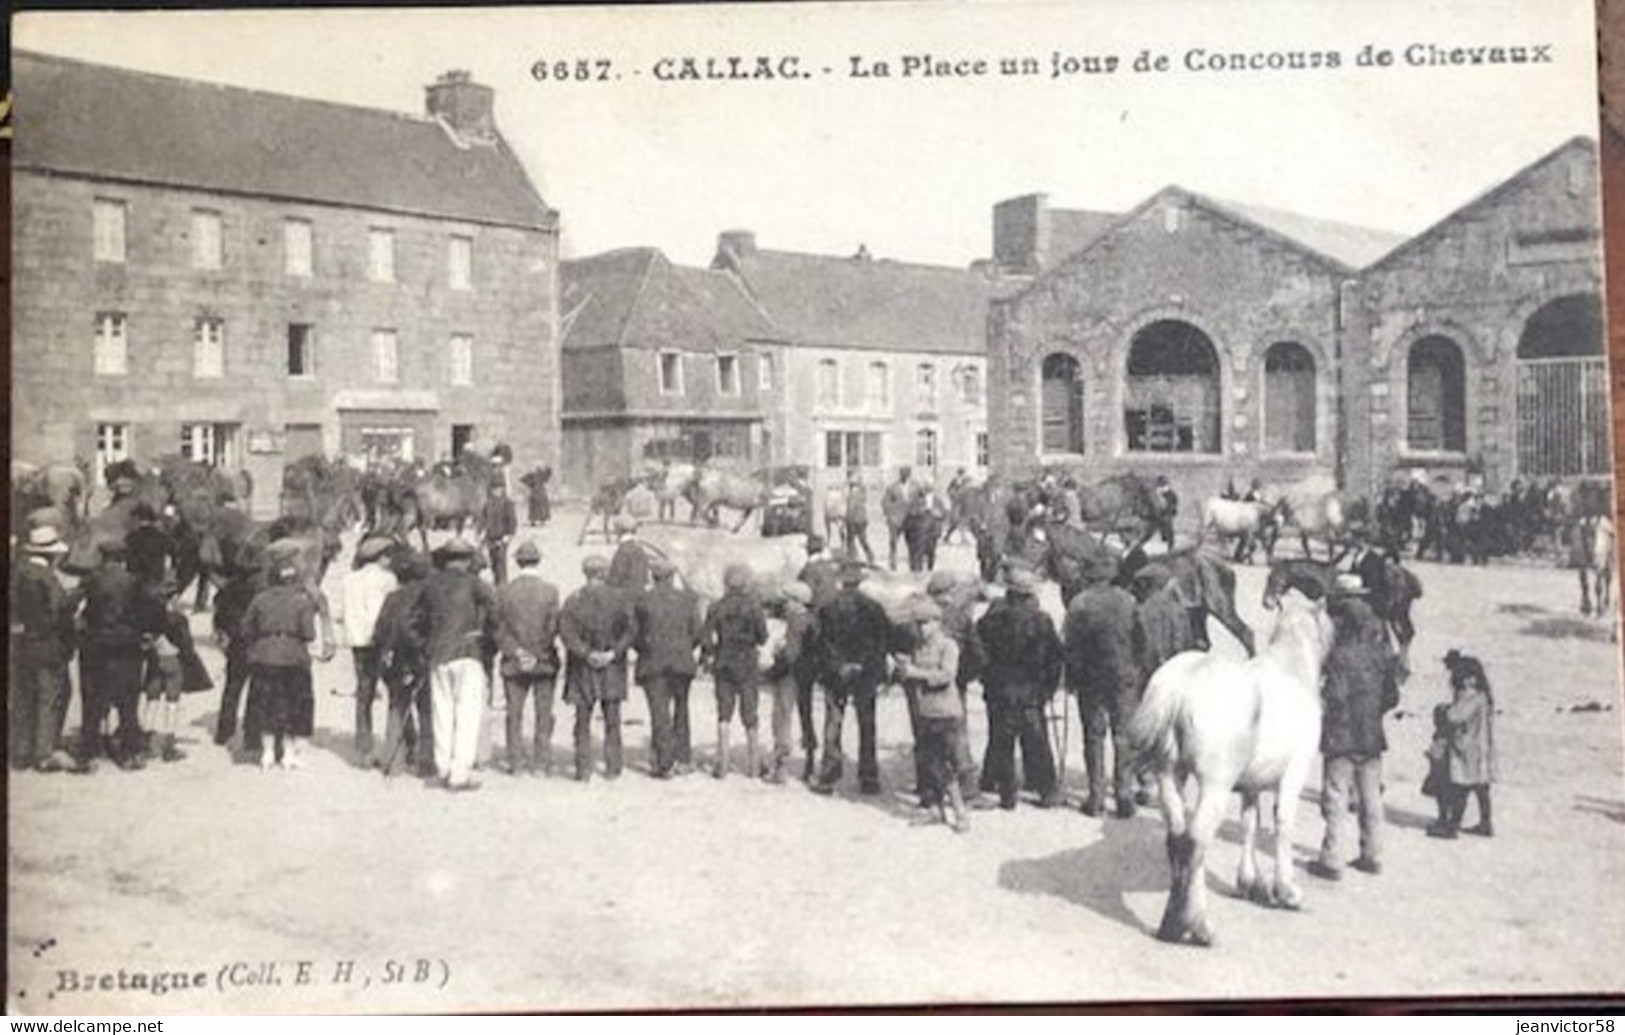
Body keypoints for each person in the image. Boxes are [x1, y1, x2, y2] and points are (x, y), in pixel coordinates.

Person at [1309, 575, 1401, 880]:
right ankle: (1372, 854)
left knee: (1335, 796)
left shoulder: (1337, 656)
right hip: (1372, 734)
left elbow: (1332, 696)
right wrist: (1373, 712)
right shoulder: (1379, 653)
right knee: (1371, 796)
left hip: (1341, 735)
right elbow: (1392, 695)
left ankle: (1331, 857)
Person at [413, 538, 499, 791]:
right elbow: (495, 611)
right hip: (468, 651)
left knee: (442, 711)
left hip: (438, 654)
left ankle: (443, 768)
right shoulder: (476, 584)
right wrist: (485, 634)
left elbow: (413, 620)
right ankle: (460, 772)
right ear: (467, 559)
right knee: (467, 712)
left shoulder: (430, 585)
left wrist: (425, 643)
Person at [976, 566, 1064, 809]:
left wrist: (987, 679)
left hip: (999, 690)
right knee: (1037, 741)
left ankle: (1007, 794)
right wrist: (1049, 688)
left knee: (1001, 739)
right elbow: (1055, 658)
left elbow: (978, 652)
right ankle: (1046, 792)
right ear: (1028, 595)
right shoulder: (1041, 621)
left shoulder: (990, 619)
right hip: (1030, 692)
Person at [1064, 571, 1142, 817]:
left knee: (1093, 737)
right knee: (1123, 736)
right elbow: (1140, 639)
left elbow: (1070, 645)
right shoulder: (1128, 600)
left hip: (1091, 680)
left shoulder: (1079, 603)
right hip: (1123, 679)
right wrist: (1134, 669)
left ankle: (1096, 798)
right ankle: (1124, 796)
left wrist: (1071, 678)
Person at [811, 562, 892, 795]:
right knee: (867, 723)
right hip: (865, 674)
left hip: (836, 674)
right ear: (860, 582)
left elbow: (822, 642)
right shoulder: (874, 607)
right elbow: (882, 642)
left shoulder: (828, 608)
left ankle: (829, 775)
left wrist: (837, 666)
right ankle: (869, 776)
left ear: (841, 581)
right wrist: (868, 666)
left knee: (833, 722)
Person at [241, 561, 326, 771]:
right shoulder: (301, 602)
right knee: (293, 705)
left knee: (265, 702)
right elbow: (308, 633)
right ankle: (288, 755)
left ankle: (267, 753)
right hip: (293, 656)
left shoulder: (260, 599)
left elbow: (246, 628)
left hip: (264, 655)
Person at [76, 538, 152, 771]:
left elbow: (83, 612)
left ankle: (89, 752)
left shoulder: (91, 580)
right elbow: (144, 612)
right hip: (127, 645)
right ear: (123, 558)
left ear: (102, 557)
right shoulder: (134, 582)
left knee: (93, 698)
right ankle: (129, 752)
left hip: (96, 645)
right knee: (128, 700)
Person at [895, 597, 970, 831]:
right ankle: (935, 808)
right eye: (918, 623)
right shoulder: (918, 647)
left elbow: (946, 675)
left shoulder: (948, 646)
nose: (921, 628)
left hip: (947, 712)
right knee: (930, 762)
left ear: (937, 622)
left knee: (949, 764)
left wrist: (914, 672)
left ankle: (960, 811)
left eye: (926, 623)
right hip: (926, 711)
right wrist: (899, 670)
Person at [560, 556, 635, 782]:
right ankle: (613, 767)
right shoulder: (620, 598)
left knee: (582, 719)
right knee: (613, 719)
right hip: (612, 666)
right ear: (605, 573)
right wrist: (613, 653)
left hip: (583, 668)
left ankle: (583, 769)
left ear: (586, 574)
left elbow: (566, 633)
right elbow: (631, 631)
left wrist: (586, 653)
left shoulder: (574, 599)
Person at [10, 525, 78, 772]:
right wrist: (76, 598)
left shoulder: (18, 573)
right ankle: (44, 752)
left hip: (20, 642)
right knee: (51, 696)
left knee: (23, 695)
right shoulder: (48, 579)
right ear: (51, 554)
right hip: (48, 643)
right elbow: (59, 612)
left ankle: (20, 750)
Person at [632, 555, 704, 778]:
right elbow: (697, 633)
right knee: (682, 710)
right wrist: (685, 649)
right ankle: (683, 758)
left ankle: (663, 763)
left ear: (653, 577)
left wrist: (646, 650)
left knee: (659, 712)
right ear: (672, 577)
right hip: (682, 662)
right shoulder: (688, 600)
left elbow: (635, 635)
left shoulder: (643, 600)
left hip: (652, 662)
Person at [494, 540, 562, 776]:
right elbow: (553, 628)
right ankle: (541, 763)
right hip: (544, 662)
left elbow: (498, 630)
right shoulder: (550, 591)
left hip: (514, 662)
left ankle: (516, 763)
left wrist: (517, 652)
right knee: (543, 712)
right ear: (538, 561)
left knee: (514, 713)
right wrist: (537, 654)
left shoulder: (504, 591)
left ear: (517, 562)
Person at [333, 536, 399, 765]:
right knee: (396, 691)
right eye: (388, 556)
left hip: (358, 642)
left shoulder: (348, 579)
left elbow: (340, 613)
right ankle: (400, 744)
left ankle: (364, 749)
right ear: (380, 558)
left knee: (364, 693)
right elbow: (391, 611)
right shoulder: (387, 579)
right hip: (381, 640)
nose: (390, 560)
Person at [702, 563, 769, 779]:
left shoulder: (716, 606)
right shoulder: (754, 607)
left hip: (723, 661)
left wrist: (712, 651)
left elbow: (706, 637)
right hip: (747, 662)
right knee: (750, 712)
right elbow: (763, 636)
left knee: (724, 712)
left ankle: (722, 762)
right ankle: (754, 765)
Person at [140, 577, 213, 763]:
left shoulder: (148, 616)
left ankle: (146, 741)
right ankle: (169, 744)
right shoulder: (179, 619)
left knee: (152, 699)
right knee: (172, 702)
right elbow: (186, 646)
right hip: (173, 661)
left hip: (155, 660)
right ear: (173, 597)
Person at [925, 571, 984, 803]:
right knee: (958, 734)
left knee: (926, 735)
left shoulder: (920, 614)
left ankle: (928, 789)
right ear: (950, 592)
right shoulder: (959, 617)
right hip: (952, 683)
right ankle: (968, 789)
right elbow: (976, 653)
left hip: (923, 683)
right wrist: (964, 677)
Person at [373, 551, 432, 777]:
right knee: (426, 709)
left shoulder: (392, 598)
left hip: (395, 659)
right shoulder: (428, 596)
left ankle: (392, 761)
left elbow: (379, 631)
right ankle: (426, 762)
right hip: (421, 657)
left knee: (396, 708)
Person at [1427, 650, 1497, 839]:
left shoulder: (1471, 697)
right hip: (1481, 748)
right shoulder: (1484, 697)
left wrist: (1445, 710)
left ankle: (1452, 826)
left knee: (1460, 789)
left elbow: (1455, 716)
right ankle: (1485, 822)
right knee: (1481, 789)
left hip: (1467, 750)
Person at [765, 581, 817, 784]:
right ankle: (810, 762)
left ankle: (781, 765)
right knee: (807, 717)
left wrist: (772, 671)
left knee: (782, 717)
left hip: (789, 675)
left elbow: (790, 654)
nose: (784, 605)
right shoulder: (812, 619)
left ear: (796, 602)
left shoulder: (794, 622)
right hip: (807, 673)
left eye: (786, 601)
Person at [482, 480, 518, 586]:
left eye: (499, 488)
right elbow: (483, 519)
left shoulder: (507, 503)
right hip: (490, 538)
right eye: (494, 489)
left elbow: (512, 520)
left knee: (501, 563)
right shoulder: (488, 503)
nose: (497, 491)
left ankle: (503, 585)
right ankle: (496, 582)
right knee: (493, 561)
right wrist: (482, 533)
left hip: (502, 537)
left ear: (502, 489)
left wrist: (509, 535)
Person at [606, 515, 650, 597]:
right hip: (640, 595)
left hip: (626, 598)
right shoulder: (640, 550)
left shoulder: (622, 552)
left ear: (618, 531)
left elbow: (616, 579)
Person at [882, 466, 916, 571]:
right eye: (902, 474)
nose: (904, 476)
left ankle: (913, 564)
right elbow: (885, 503)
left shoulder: (916, 487)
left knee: (912, 543)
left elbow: (921, 500)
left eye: (906, 474)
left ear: (909, 475)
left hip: (910, 519)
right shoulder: (892, 488)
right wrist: (890, 515)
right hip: (895, 520)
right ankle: (893, 564)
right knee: (893, 543)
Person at [843, 470, 875, 564]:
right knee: (857, 539)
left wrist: (847, 518)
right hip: (858, 519)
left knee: (855, 539)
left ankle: (855, 557)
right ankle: (864, 556)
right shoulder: (858, 490)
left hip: (856, 519)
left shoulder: (856, 491)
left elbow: (851, 506)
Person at [823, 480, 847, 553]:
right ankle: (841, 543)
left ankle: (829, 541)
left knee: (834, 528)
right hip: (836, 512)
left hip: (833, 512)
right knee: (840, 528)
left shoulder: (829, 493)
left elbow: (825, 505)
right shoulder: (838, 493)